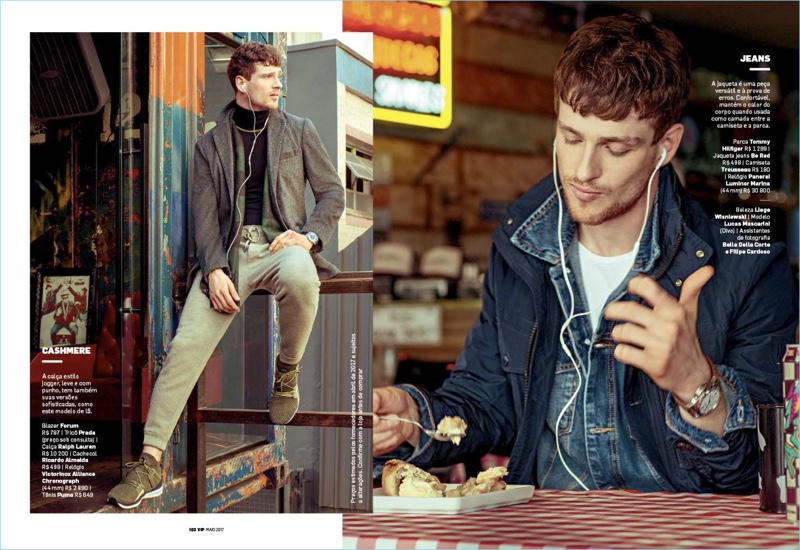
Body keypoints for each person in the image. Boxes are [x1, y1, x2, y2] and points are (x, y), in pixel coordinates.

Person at [373, 14, 797, 494]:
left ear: (666, 146)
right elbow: (486, 405)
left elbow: (771, 469)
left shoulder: (751, 267)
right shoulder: (518, 247)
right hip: (542, 536)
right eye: (572, 138)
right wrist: (415, 417)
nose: (583, 170)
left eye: (615, 147)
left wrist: (697, 385)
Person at [108, 42, 344, 509]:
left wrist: (310, 238)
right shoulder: (208, 143)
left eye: (281, 76)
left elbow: (333, 193)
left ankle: (287, 369)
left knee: (301, 275)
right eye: (268, 76)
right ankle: (150, 460)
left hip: (282, 248)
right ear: (241, 83)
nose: (279, 84)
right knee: (183, 349)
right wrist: (214, 269)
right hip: (230, 256)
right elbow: (202, 216)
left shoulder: (298, 130)